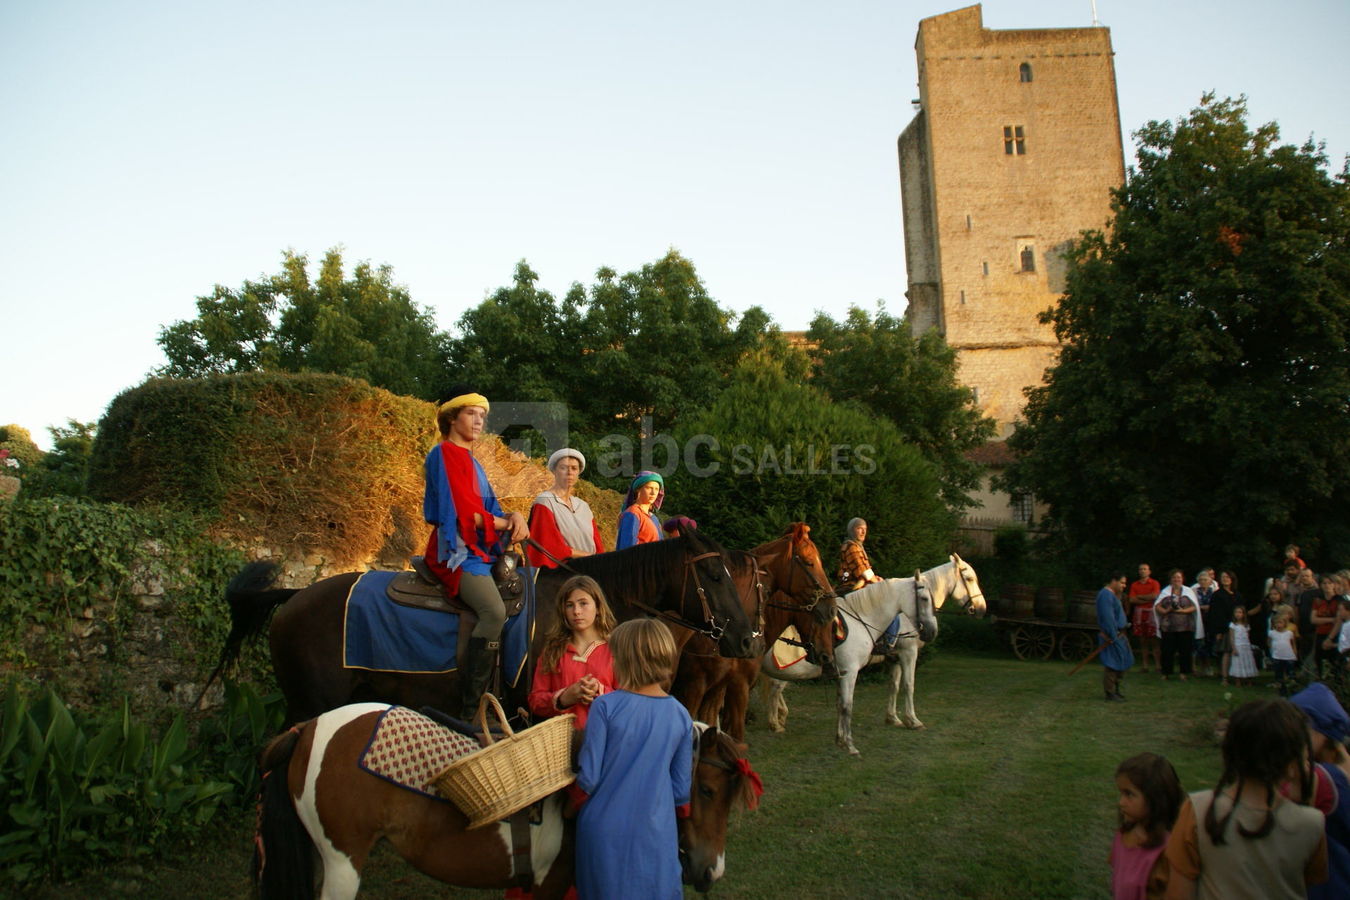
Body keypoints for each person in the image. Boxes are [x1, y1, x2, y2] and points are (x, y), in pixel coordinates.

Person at [423, 386, 529, 713]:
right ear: (451, 418)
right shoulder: (443, 453)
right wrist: (506, 523)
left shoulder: (473, 462)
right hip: (455, 552)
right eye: (471, 413)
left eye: (482, 415)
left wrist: (514, 516)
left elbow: (489, 509)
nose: (479, 420)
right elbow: (465, 514)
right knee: (494, 612)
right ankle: (471, 708)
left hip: (479, 550)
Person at [575, 618, 693, 900]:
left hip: (603, 830)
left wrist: (568, 809)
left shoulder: (605, 706)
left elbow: (588, 778)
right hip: (656, 832)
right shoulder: (680, 715)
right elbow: (680, 792)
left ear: (625, 660)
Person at [1163, 698, 1328, 899]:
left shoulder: (1198, 811)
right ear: (1292, 763)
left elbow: (1178, 894)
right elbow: (1309, 881)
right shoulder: (1312, 824)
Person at [527, 575, 617, 730]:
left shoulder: (616, 650)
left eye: (583, 603)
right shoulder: (553, 651)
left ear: (598, 607)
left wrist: (599, 691)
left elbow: (630, 700)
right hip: (562, 739)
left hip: (606, 737)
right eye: (569, 605)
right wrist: (563, 698)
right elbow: (535, 700)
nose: (576, 611)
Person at [1289, 683, 1350, 900]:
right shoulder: (1341, 770)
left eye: (1299, 728)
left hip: (1329, 888)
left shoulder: (1322, 778)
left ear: (1320, 733)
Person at [1111, 752, 1184, 900]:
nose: (1121, 802)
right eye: (1121, 793)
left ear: (1155, 798)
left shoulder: (1167, 852)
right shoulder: (1124, 834)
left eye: (1129, 794)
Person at [526, 449, 605, 569]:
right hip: (563, 570)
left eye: (574, 468)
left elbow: (597, 544)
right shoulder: (545, 501)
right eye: (563, 468)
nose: (569, 472)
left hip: (590, 569)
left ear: (578, 473)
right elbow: (548, 544)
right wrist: (588, 556)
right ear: (554, 471)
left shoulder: (583, 506)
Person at [1097, 572, 1135, 702]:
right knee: (1112, 664)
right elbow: (1108, 618)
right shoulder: (1105, 595)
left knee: (1120, 661)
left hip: (1119, 634)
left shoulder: (1113, 595)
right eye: (1122, 582)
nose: (1124, 585)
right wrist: (1113, 635)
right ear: (1114, 581)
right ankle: (1110, 692)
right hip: (1112, 635)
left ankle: (1115, 690)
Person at [1154, 570, 1198, 682]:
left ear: (1182, 579)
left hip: (1185, 626)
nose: (1176, 579)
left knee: (1185, 650)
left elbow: (1194, 607)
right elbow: (1157, 606)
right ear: (1170, 579)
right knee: (1167, 650)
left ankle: (1183, 673)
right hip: (1168, 626)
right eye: (1174, 577)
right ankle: (1166, 672)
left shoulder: (1188, 591)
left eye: (1179, 577)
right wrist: (1166, 610)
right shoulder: (1165, 591)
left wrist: (1183, 611)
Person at [615, 471, 664, 550]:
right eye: (649, 488)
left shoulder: (655, 519)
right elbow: (627, 549)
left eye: (656, 489)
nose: (653, 493)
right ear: (638, 489)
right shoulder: (632, 514)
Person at [1129, 564, 1162, 673]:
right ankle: (1145, 665)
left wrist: (1140, 597)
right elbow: (1132, 600)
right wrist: (1147, 598)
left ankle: (1158, 665)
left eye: (1145, 569)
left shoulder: (1154, 583)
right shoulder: (1135, 584)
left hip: (1152, 614)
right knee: (1142, 640)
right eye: (1141, 569)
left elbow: (1155, 596)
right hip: (1139, 615)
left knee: (1154, 640)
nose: (1143, 571)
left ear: (1149, 571)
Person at [837, 517, 883, 592]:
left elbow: (866, 571)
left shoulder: (857, 546)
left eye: (865, 529)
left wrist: (875, 578)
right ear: (851, 530)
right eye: (859, 528)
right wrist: (878, 583)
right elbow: (863, 571)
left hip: (860, 585)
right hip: (852, 586)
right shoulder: (852, 547)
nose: (863, 532)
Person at [1211, 571, 1240, 680]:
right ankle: (1224, 675)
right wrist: (1219, 631)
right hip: (1224, 627)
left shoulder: (1237, 594)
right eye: (1223, 577)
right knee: (1225, 651)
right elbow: (1215, 614)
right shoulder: (1217, 595)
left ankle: (1236, 674)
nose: (1225, 579)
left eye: (1227, 577)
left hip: (1238, 626)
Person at [1311, 575, 1340, 677]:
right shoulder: (1318, 600)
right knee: (1319, 659)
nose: (1327, 585)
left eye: (1329, 583)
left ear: (1334, 585)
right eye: (1324, 583)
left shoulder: (1339, 600)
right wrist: (1331, 619)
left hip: (1334, 634)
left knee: (1334, 660)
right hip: (1320, 633)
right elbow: (1313, 619)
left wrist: (1330, 638)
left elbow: (1339, 620)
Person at [1192, 570, 1217, 677]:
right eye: (1201, 580)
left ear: (1210, 581)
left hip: (1210, 620)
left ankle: (1208, 667)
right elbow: (1193, 604)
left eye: (1205, 580)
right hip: (1198, 620)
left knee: (1209, 643)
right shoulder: (1194, 591)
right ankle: (1196, 667)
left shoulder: (1214, 591)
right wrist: (1203, 607)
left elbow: (1216, 605)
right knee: (1198, 644)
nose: (1203, 582)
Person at [1269, 611, 1299, 696]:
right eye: (1276, 623)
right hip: (1277, 657)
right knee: (1279, 674)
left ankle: (1293, 689)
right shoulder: (1272, 633)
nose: (1278, 625)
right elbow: (1269, 642)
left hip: (1289, 657)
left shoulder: (1289, 633)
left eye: (1280, 622)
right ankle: (1282, 690)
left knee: (1290, 674)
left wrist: (1295, 652)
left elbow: (1293, 644)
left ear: (1284, 623)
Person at [1226, 605, 1256, 688]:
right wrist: (1234, 648)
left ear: (1243, 614)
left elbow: (1248, 636)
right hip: (1237, 646)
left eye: (1240, 612)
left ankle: (1248, 679)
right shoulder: (1233, 625)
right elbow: (1232, 637)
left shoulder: (1246, 625)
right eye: (1236, 612)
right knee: (1237, 662)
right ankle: (1238, 680)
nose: (1238, 614)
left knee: (1247, 662)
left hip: (1246, 646)